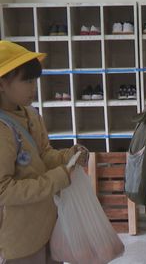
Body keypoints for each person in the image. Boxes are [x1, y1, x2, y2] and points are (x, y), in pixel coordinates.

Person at [0, 41, 88, 263]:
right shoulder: (2, 130)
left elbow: (43, 155)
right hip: (19, 239)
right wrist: (57, 179)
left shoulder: (30, 115)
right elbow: (4, 190)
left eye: (35, 81)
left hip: (48, 226)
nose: (34, 88)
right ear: (2, 83)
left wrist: (68, 156)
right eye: (27, 81)